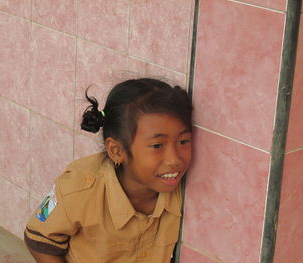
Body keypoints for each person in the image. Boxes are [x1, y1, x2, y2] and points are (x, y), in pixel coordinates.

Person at [24, 78, 193, 263]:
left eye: (183, 142)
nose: (175, 159)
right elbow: (39, 240)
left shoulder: (186, 192)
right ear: (117, 151)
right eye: (157, 145)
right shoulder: (78, 187)